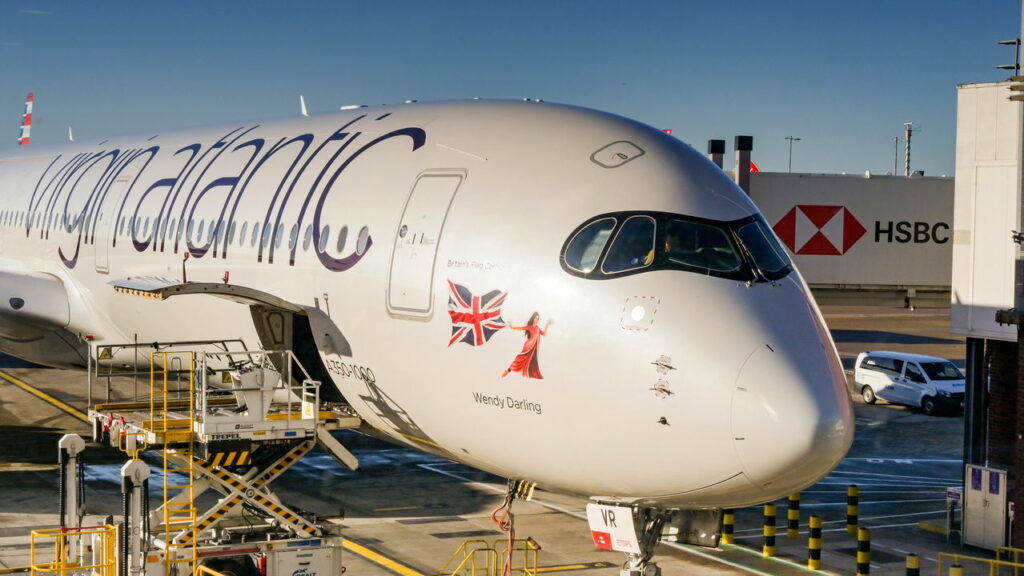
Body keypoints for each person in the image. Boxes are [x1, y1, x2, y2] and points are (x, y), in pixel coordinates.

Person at [502, 312, 553, 379]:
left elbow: (544, 334)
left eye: (538, 318)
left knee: (531, 361)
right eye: (535, 318)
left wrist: (547, 325)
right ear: (533, 318)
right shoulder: (529, 327)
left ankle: (531, 373)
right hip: (528, 346)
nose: (536, 319)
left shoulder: (537, 328)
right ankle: (508, 371)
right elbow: (520, 328)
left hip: (533, 348)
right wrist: (511, 326)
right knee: (519, 358)